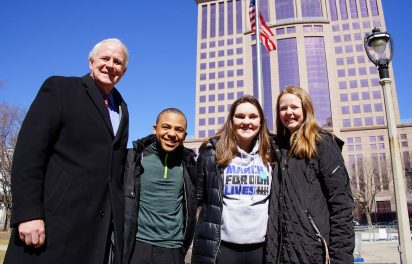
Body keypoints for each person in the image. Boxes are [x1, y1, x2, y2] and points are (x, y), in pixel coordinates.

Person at [5, 38, 129, 264]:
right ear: (91, 61)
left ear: (124, 70)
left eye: (118, 62)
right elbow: (29, 153)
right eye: (105, 58)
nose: (110, 65)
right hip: (53, 224)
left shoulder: (122, 108)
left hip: (95, 232)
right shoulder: (60, 88)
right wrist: (28, 213)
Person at [266, 86, 355, 264]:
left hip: (314, 253)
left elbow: (341, 204)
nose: (288, 112)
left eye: (294, 107)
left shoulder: (323, 143)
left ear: (305, 109)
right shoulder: (277, 149)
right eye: (283, 108)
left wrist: (341, 258)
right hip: (279, 254)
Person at [192, 95, 273, 264]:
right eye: (240, 116)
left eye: (253, 116)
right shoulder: (211, 154)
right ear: (231, 120)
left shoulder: (273, 154)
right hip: (222, 247)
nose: (246, 122)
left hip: (262, 247)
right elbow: (198, 200)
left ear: (261, 122)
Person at [123, 108, 197, 264]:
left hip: (173, 248)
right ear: (154, 129)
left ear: (184, 134)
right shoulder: (134, 158)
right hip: (137, 245)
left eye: (179, 129)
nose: (171, 133)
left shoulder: (189, 164)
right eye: (166, 127)